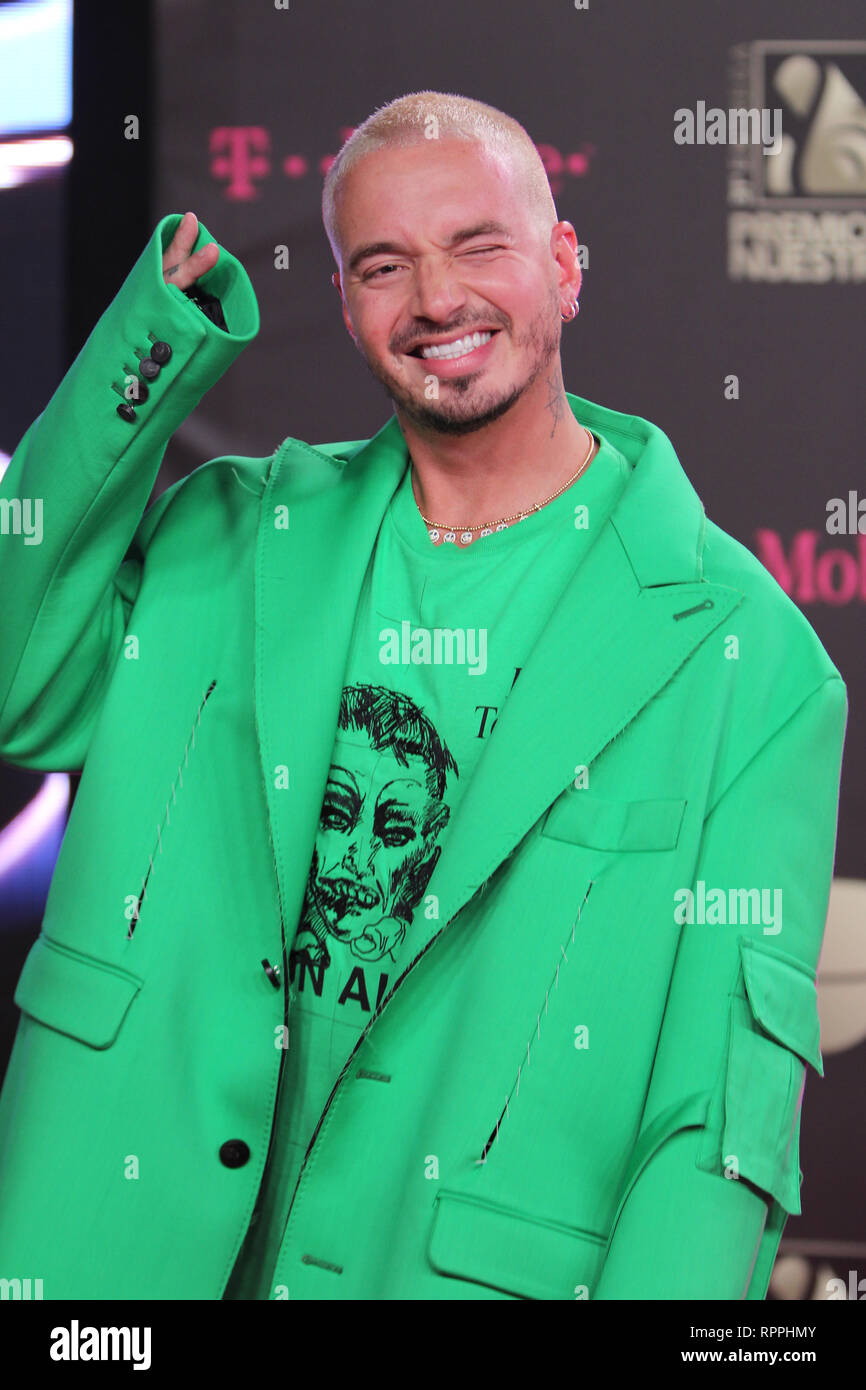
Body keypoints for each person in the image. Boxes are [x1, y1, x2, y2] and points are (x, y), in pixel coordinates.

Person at [0, 92, 847, 1301]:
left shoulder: (746, 656)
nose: (437, 299)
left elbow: (715, 1123)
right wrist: (150, 346)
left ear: (562, 267)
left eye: (478, 246)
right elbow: (17, 683)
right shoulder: (225, 538)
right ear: (345, 307)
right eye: (385, 264)